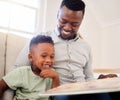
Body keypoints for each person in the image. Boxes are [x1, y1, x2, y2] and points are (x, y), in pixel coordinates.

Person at [9, 0, 112, 100]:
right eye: (63, 21)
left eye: (74, 24)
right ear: (57, 14)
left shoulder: (85, 46)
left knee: (104, 95)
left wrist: (99, 81)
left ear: (81, 21)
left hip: (83, 91)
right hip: (59, 92)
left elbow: (89, 77)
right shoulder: (41, 41)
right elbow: (17, 69)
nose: (67, 28)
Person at [0, 35, 60, 100]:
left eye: (52, 57)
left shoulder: (52, 75)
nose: (49, 60)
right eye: (44, 56)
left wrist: (56, 78)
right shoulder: (21, 72)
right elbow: (2, 85)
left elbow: (55, 96)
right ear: (31, 57)